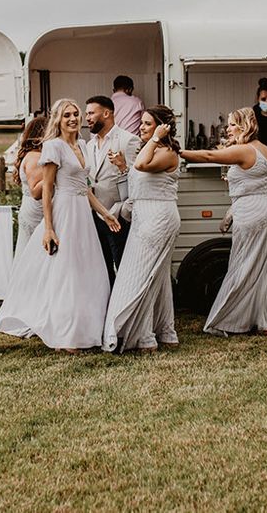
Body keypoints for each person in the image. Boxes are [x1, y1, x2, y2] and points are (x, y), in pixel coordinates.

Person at [0, 98, 120, 352]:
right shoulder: (53, 147)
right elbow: (48, 189)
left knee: (88, 273)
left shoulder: (83, 145)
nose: (73, 118)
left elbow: (84, 188)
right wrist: (49, 228)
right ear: (58, 120)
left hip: (83, 214)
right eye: (67, 115)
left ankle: (85, 329)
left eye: (75, 114)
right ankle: (64, 335)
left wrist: (105, 213)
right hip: (64, 213)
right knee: (67, 273)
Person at [180, 107, 267, 337]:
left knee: (248, 265)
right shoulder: (266, 150)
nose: (227, 129)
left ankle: (248, 321)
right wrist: (230, 213)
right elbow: (256, 185)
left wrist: (178, 151)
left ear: (243, 125)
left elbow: (208, 156)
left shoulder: (244, 150)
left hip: (255, 214)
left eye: (231, 124)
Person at [103, 106, 181, 353]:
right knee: (156, 276)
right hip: (144, 216)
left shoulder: (167, 152)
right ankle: (166, 332)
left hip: (158, 217)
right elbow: (139, 179)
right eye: (142, 123)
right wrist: (123, 168)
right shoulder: (152, 149)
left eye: (148, 124)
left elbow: (142, 165)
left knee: (141, 275)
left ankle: (145, 337)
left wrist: (157, 137)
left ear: (162, 126)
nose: (142, 127)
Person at [85, 95, 140, 285]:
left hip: (118, 217)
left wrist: (121, 212)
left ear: (106, 113)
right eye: (86, 113)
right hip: (94, 216)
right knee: (102, 268)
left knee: (124, 266)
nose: (87, 117)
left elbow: (137, 181)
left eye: (91, 113)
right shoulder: (88, 145)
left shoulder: (128, 140)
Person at [12, 116, 48, 260]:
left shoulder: (35, 154)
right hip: (36, 212)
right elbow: (36, 191)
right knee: (34, 256)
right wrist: (57, 174)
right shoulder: (35, 157)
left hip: (32, 210)